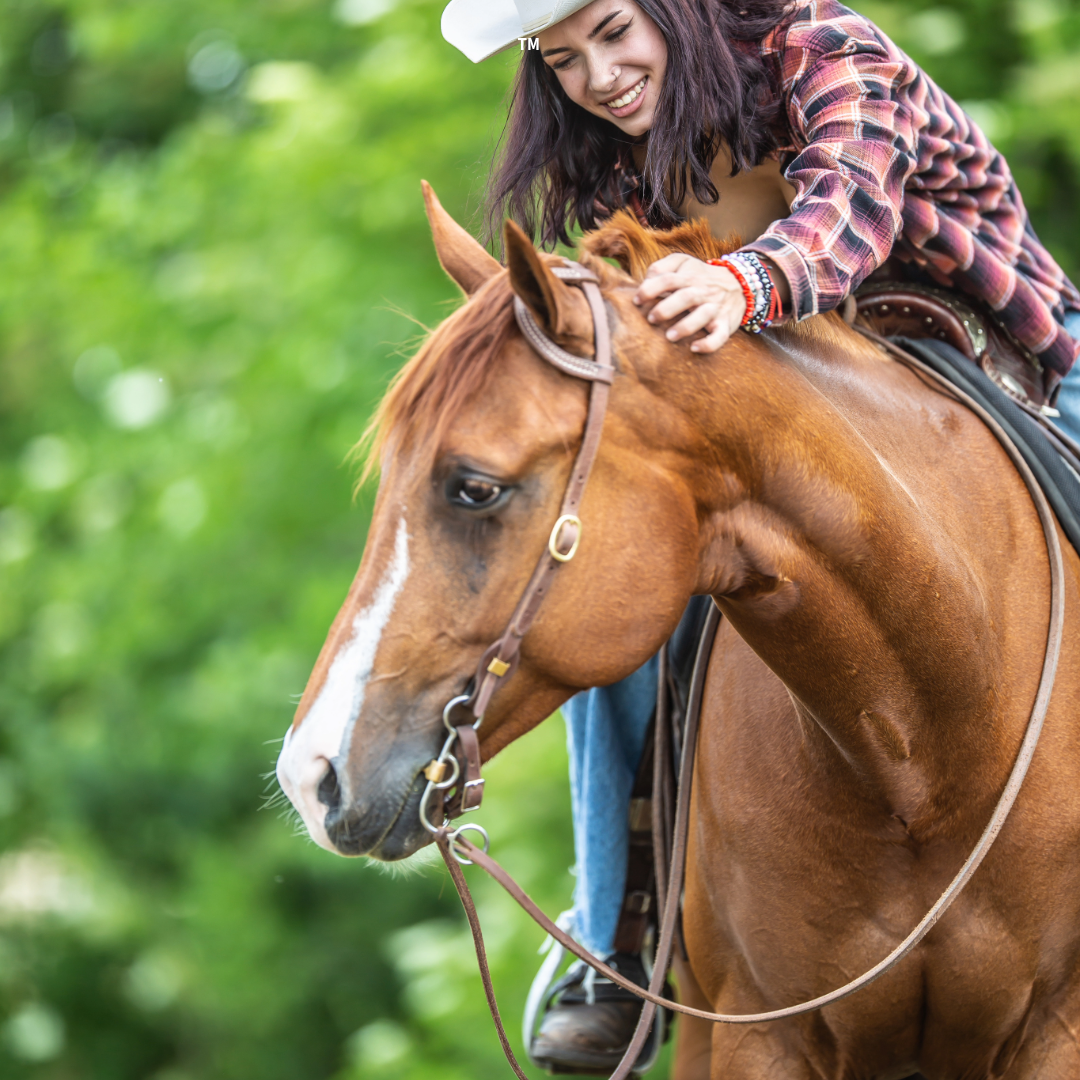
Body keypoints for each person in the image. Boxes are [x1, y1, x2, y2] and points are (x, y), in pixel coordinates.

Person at [440, 0, 1080, 1071]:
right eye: (562, 59)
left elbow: (848, 213)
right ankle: (614, 935)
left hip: (1006, 357)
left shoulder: (826, 47)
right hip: (786, 428)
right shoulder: (612, 159)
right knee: (605, 580)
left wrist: (741, 281)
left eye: (614, 30)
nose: (599, 75)